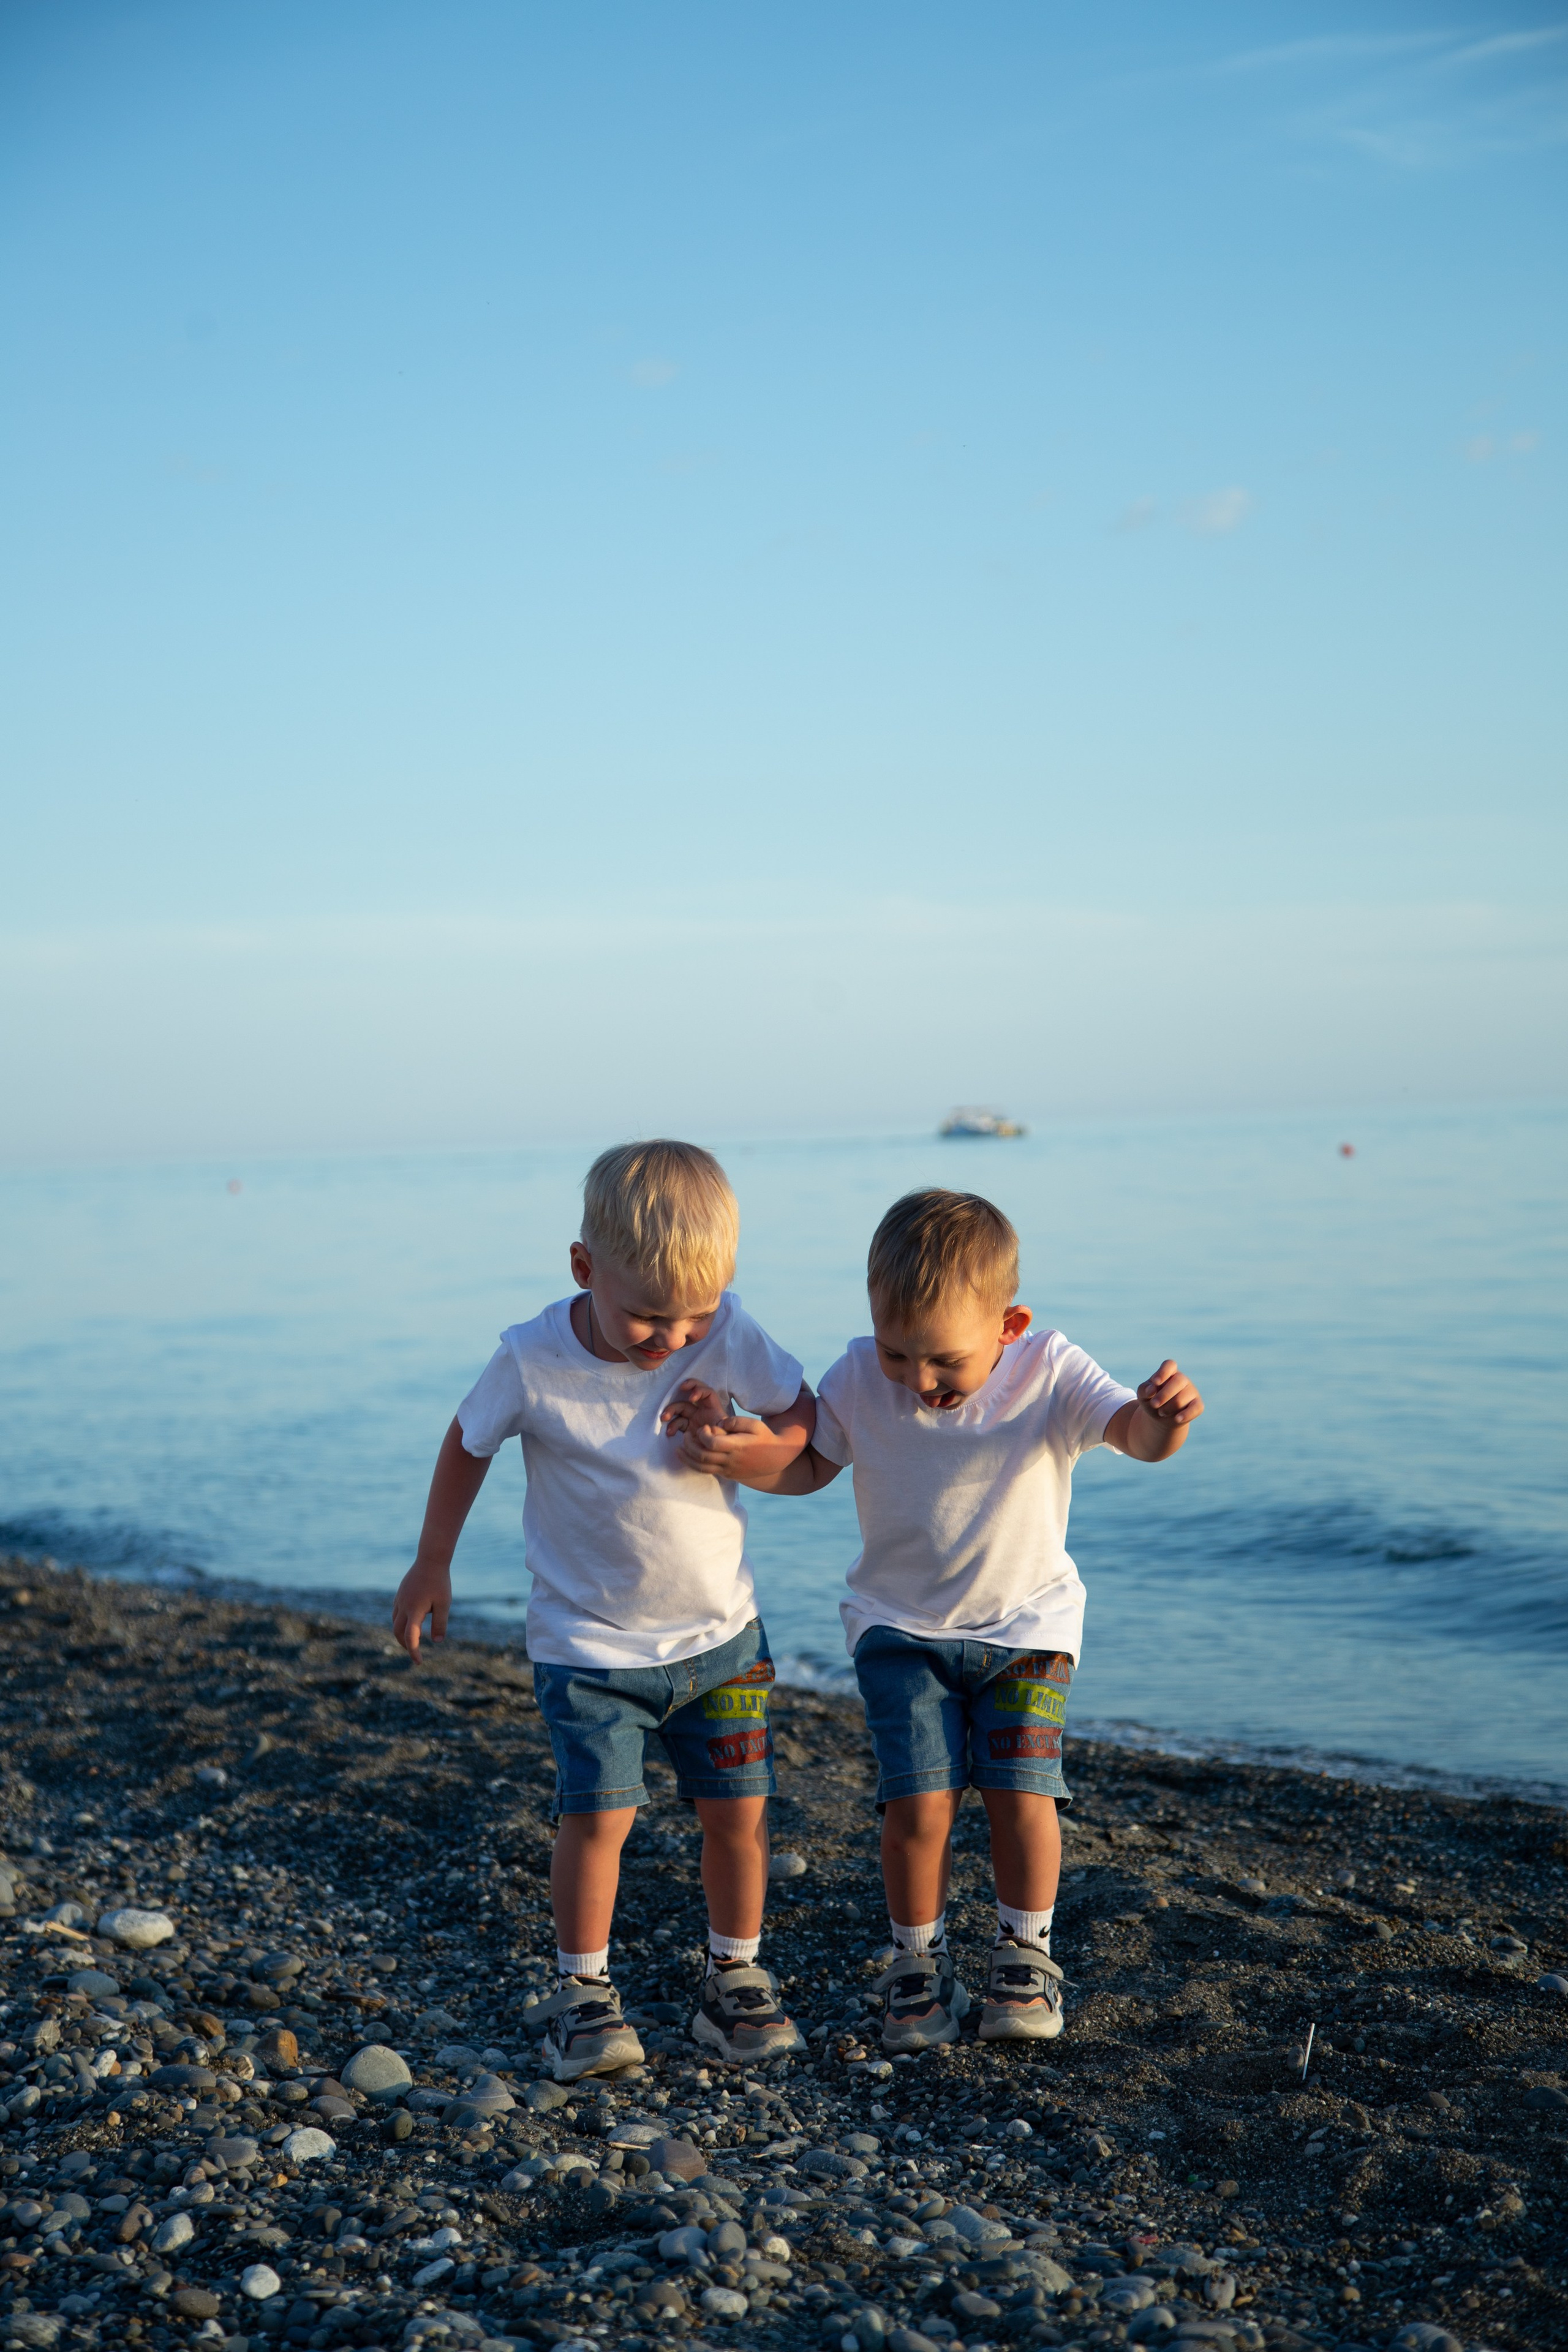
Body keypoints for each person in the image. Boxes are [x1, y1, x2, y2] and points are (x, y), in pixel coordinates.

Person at [668, 1186, 1203, 2054]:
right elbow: (808, 1470)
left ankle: (1025, 1954)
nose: (917, 1382)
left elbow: (1133, 1437)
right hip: (898, 1629)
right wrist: (738, 1460)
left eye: (943, 1362)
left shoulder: (1053, 1371)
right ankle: (917, 1963)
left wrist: (1164, 1420)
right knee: (916, 1806)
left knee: (1021, 1798)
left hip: (1026, 1630)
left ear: (1010, 1325)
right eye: (895, 1353)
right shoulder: (855, 1378)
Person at [393, 1140, 815, 2079]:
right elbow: (468, 1444)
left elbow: (804, 1425)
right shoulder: (531, 1359)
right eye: (648, 1317)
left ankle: (733, 1978)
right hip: (587, 1648)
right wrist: (433, 1561)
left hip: (722, 1639)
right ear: (584, 1268)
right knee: (600, 1819)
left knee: (739, 1815)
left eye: (695, 1315)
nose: (673, 1340)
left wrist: (742, 1441)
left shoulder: (726, 1333)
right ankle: (583, 1992)